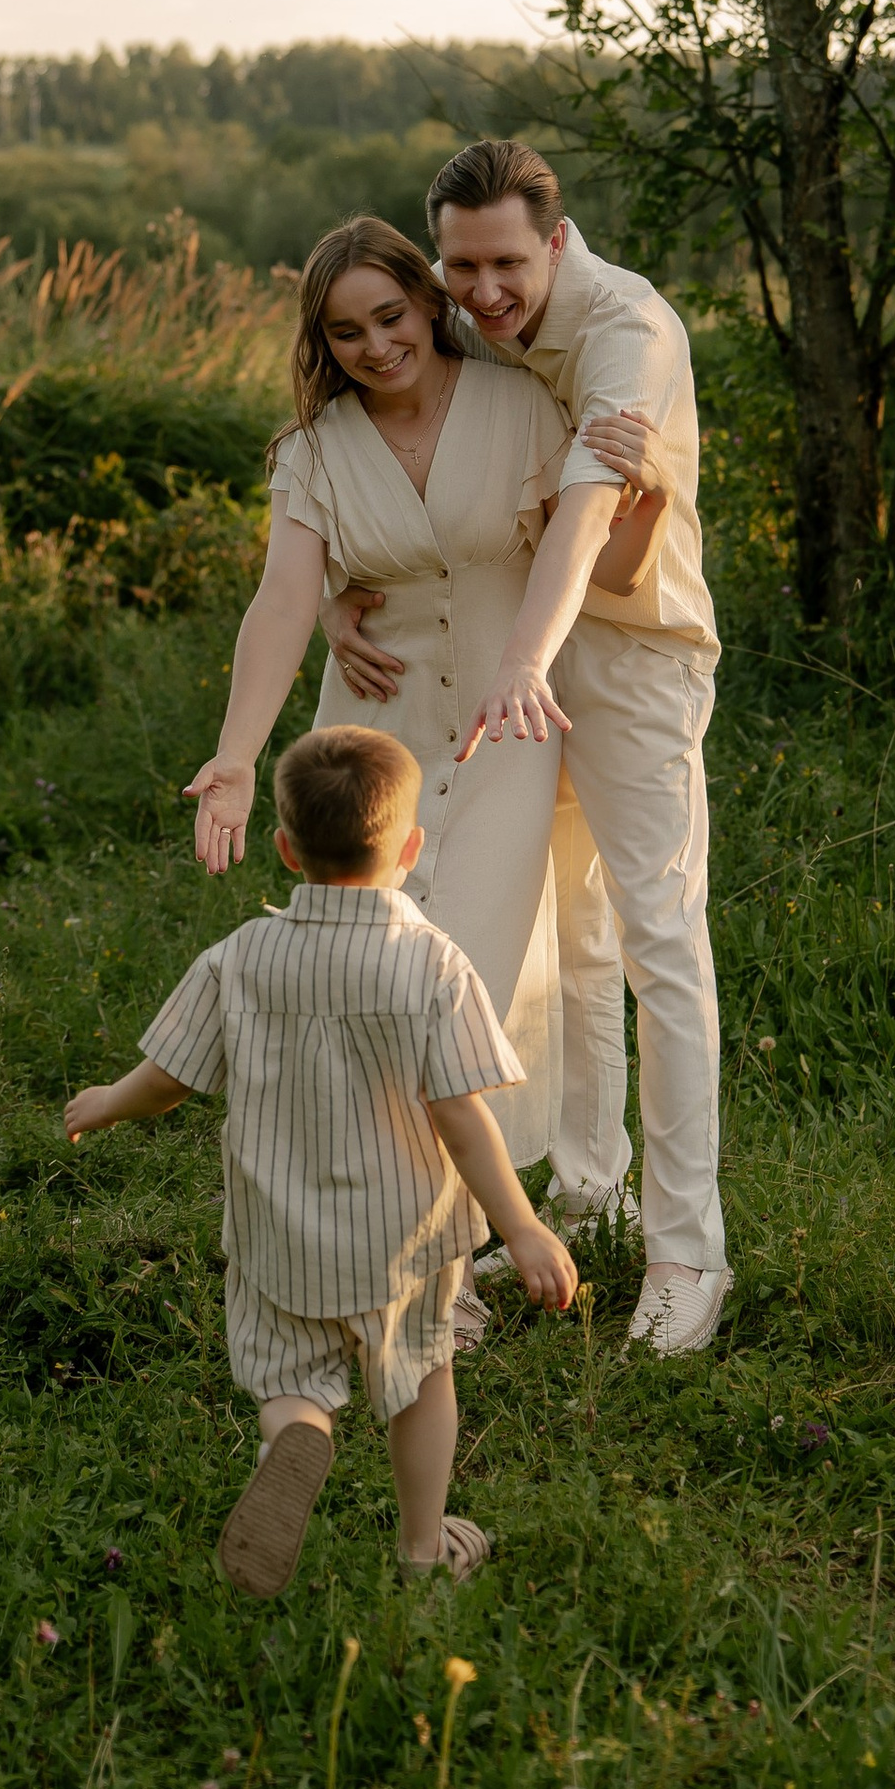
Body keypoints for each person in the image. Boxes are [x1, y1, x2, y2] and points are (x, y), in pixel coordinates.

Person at [183, 215, 664, 1275]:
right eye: (344, 331)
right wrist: (235, 756)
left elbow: (613, 573)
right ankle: (382, 1239)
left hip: (506, 737)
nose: (373, 345)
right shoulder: (313, 455)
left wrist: (644, 492)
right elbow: (279, 603)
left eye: (390, 316)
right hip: (372, 747)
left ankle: (445, 1255)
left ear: (429, 300)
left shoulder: (522, 407)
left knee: (467, 994)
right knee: (360, 989)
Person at [325, 141, 730, 1357]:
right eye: (460, 264)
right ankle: (585, 1196)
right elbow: (394, 445)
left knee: (659, 939)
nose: (483, 290)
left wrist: (524, 664)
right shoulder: (472, 321)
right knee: (574, 934)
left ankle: (686, 1252)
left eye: (505, 261)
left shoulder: (628, 337)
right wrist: (348, 586)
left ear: (555, 241)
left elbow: (592, 516)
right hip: (517, 650)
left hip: (628, 657)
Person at [63, 723, 576, 1593]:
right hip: (405, 1243)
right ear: (410, 849)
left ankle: (297, 1429)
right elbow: (463, 1115)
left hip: (280, 1238)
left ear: (285, 850)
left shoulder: (241, 961)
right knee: (421, 1375)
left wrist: (107, 1102)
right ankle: (423, 1547)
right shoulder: (433, 967)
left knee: (288, 1369)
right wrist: (520, 1227)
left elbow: (169, 1080)